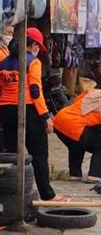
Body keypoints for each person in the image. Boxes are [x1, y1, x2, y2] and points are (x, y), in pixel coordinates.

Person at [0, 28, 65, 201]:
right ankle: (47, 194)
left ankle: (12, 196)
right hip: (28, 110)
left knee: (12, 155)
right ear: (34, 44)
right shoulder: (33, 62)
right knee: (39, 154)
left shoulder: (3, 62)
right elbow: (35, 91)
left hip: (5, 111)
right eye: (38, 46)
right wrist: (45, 117)